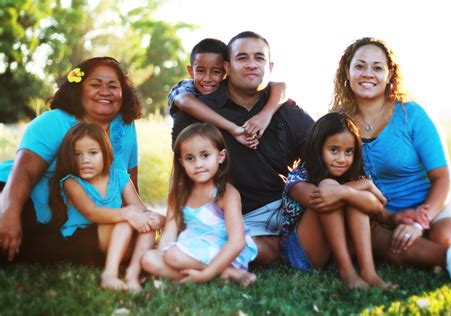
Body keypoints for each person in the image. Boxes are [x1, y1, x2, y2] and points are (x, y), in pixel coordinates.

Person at [290, 37, 451, 281]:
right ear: (348, 71)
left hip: (438, 202)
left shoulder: (411, 114)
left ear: (390, 75)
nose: (368, 74)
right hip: (380, 212)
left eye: (377, 67)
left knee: (447, 236)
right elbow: (322, 173)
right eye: (360, 66)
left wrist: (420, 222)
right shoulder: (339, 124)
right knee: (394, 248)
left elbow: (444, 178)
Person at [0, 57, 165, 265]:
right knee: (9, 243)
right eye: (95, 85)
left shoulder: (125, 126)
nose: (105, 91)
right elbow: (24, 171)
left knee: (102, 249)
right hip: (19, 196)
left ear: (123, 93)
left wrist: (145, 222)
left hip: (73, 221)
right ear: (78, 90)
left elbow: (129, 184)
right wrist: (9, 213)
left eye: (113, 86)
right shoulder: (54, 121)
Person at [171, 31, 314, 265]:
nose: (251, 64)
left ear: (270, 66)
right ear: (227, 66)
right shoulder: (196, 113)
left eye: (259, 58)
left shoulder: (288, 111)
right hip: (233, 216)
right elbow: (181, 171)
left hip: (285, 210)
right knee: (251, 246)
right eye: (242, 58)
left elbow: (324, 157)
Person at [280, 112, 396, 289]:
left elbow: (377, 207)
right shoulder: (299, 177)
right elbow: (321, 198)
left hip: (333, 254)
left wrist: (349, 192)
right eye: (334, 150)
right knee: (329, 187)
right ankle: (347, 273)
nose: (342, 159)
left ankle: (368, 272)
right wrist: (363, 186)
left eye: (349, 152)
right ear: (318, 148)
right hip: (303, 254)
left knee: (351, 199)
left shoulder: (354, 177)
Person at [141, 123, 258, 286]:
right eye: (190, 158)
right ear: (182, 162)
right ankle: (225, 275)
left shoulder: (226, 193)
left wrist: (206, 274)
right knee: (148, 259)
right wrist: (160, 259)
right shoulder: (178, 194)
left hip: (222, 250)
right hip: (191, 248)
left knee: (173, 255)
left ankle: (217, 272)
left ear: (220, 156)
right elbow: (169, 233)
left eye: (205, 155)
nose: (198, 164)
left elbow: (237, 241)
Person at [49, 122, 161, 292]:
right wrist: (128, 214)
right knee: (125, 220)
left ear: (106, 153)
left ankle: (132, 275)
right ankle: (109, 275)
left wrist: (157, 218)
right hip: (83, 242)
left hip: (114, 244)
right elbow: (92, 213)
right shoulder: (72, 182)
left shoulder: (119, 177)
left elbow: (141, 209)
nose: (84, 160)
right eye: (77, 154)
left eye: (93, 153)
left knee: (147, 225)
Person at [168, 37, 288, 149]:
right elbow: (185, 102)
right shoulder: (186, 87)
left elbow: (281, 86)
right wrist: (232, 128)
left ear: (226, 70)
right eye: (200, 71)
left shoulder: (232, 87)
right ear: (191, 71)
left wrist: (265, 115)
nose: (207, 78)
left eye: (216, 71)